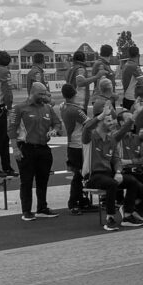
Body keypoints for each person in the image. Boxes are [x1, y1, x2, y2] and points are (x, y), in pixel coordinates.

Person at [82, 107, 143, 230]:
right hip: (92, 176)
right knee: (112, 184)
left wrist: (118, 172)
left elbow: (116, 159)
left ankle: (127, 215)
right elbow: (87, 127)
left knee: (132, 181)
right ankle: (110, 218)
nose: (112, 123)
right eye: (108, 121)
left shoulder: (111, 139)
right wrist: (100, 116)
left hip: (108, 174)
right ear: (100, 122)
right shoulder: (90, 138)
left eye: (112, 121)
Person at [8, 82, 63, 221]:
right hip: (26, 148)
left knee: (43, 180)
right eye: (41, 93)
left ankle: (42, 208)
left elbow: (57, 123)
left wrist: (55, 130)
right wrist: (15, 148)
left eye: (45, 93)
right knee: (26, 181)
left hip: (43, 149)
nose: (44, 96)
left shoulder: (47, 108)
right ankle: (26, 211)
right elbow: (11, 130)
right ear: (32, 93)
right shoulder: (19, 108)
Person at [59, 84, 95, 215]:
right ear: (74, 94)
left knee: (79, 174)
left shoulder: (63, 106)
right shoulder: (75, 110)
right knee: (80, 174)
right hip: (79, 144)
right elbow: (90, 124)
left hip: (72, 144)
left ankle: (80, 200)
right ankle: (74, 202)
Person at [121, 46, 143, 110]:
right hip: (133, 98)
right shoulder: (134, 66)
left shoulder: (126, 64)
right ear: (138, 55)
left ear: (129, 54)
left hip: (126, 96)